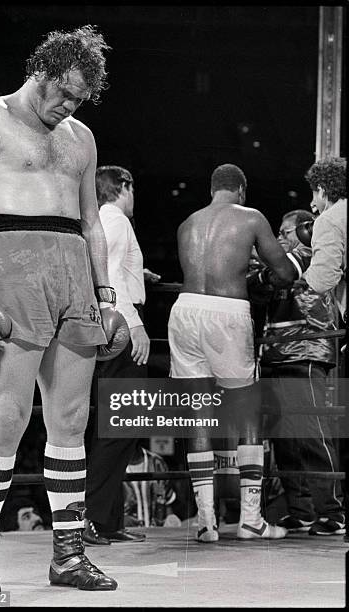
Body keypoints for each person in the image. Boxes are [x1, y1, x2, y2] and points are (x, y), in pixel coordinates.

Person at [0, 26, 129, 593]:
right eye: (66, 93)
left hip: (73, 272)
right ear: (45, 72)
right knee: (7, 417)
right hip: (12, 263)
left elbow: (92, 223)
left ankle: (69, 556)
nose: (69, 106)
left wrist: (107, 297)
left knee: (71, 421)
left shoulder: (81, 137)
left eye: (79, 99)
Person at [168, 163, 297, 542]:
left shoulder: (187, 223)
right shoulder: (251, 216)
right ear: (241, 189)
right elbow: (285, 274)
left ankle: (206, 522)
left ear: (213, 189)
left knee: (198, 416)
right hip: (226, 314)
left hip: (184, 311)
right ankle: (251, 520)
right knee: (247, 416)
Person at [260, 209, 345, 535]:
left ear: (305, 231)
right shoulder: (279, 261)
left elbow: (276, 275)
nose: (280, 237)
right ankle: (303, 509)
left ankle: (333, 513)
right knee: (285, 441)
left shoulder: (312, 251)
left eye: (286, 231)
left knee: (312, 435)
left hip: (306, 352)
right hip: (277, 353)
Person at [84, 165, 154, 545]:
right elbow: (106, 272)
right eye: (132, 187)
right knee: (119, 428)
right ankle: (90, 518)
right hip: (121, 326)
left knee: (122, 429)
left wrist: (141, 275)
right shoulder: (114, 219)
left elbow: (111, 268)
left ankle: (106, 520)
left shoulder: (104, 221)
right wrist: (135, 325)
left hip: (112, 323)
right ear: (123, 187)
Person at [299, 157, 347, 322]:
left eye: (313, 193)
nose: (312, 203)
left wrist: (303, 274)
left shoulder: (329, 219)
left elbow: (322, 281)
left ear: (321, 189)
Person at [123, 443, 179, 528]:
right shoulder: (112, 464)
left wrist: (171, 521)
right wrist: (119, 521)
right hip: (126, 535)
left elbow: (167, 504)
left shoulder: (157, 462)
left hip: (158, 535)